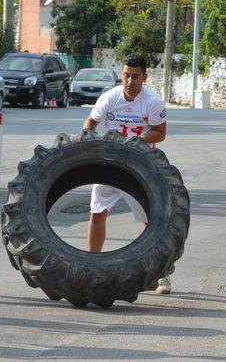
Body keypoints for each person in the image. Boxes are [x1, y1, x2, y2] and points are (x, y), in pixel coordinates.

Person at [82, 53, 172, 294]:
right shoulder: (109, 98)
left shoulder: (152, 102)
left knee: (150, 222)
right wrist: (89, 141)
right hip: (110, 164)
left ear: (144, 77)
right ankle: (93, 267)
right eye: (126, 75)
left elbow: (160, 133)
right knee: (97, 213)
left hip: (139, 168)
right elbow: (90, 122)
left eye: (135, 76)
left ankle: (161, 274)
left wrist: (137, 141)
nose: (130, 81)